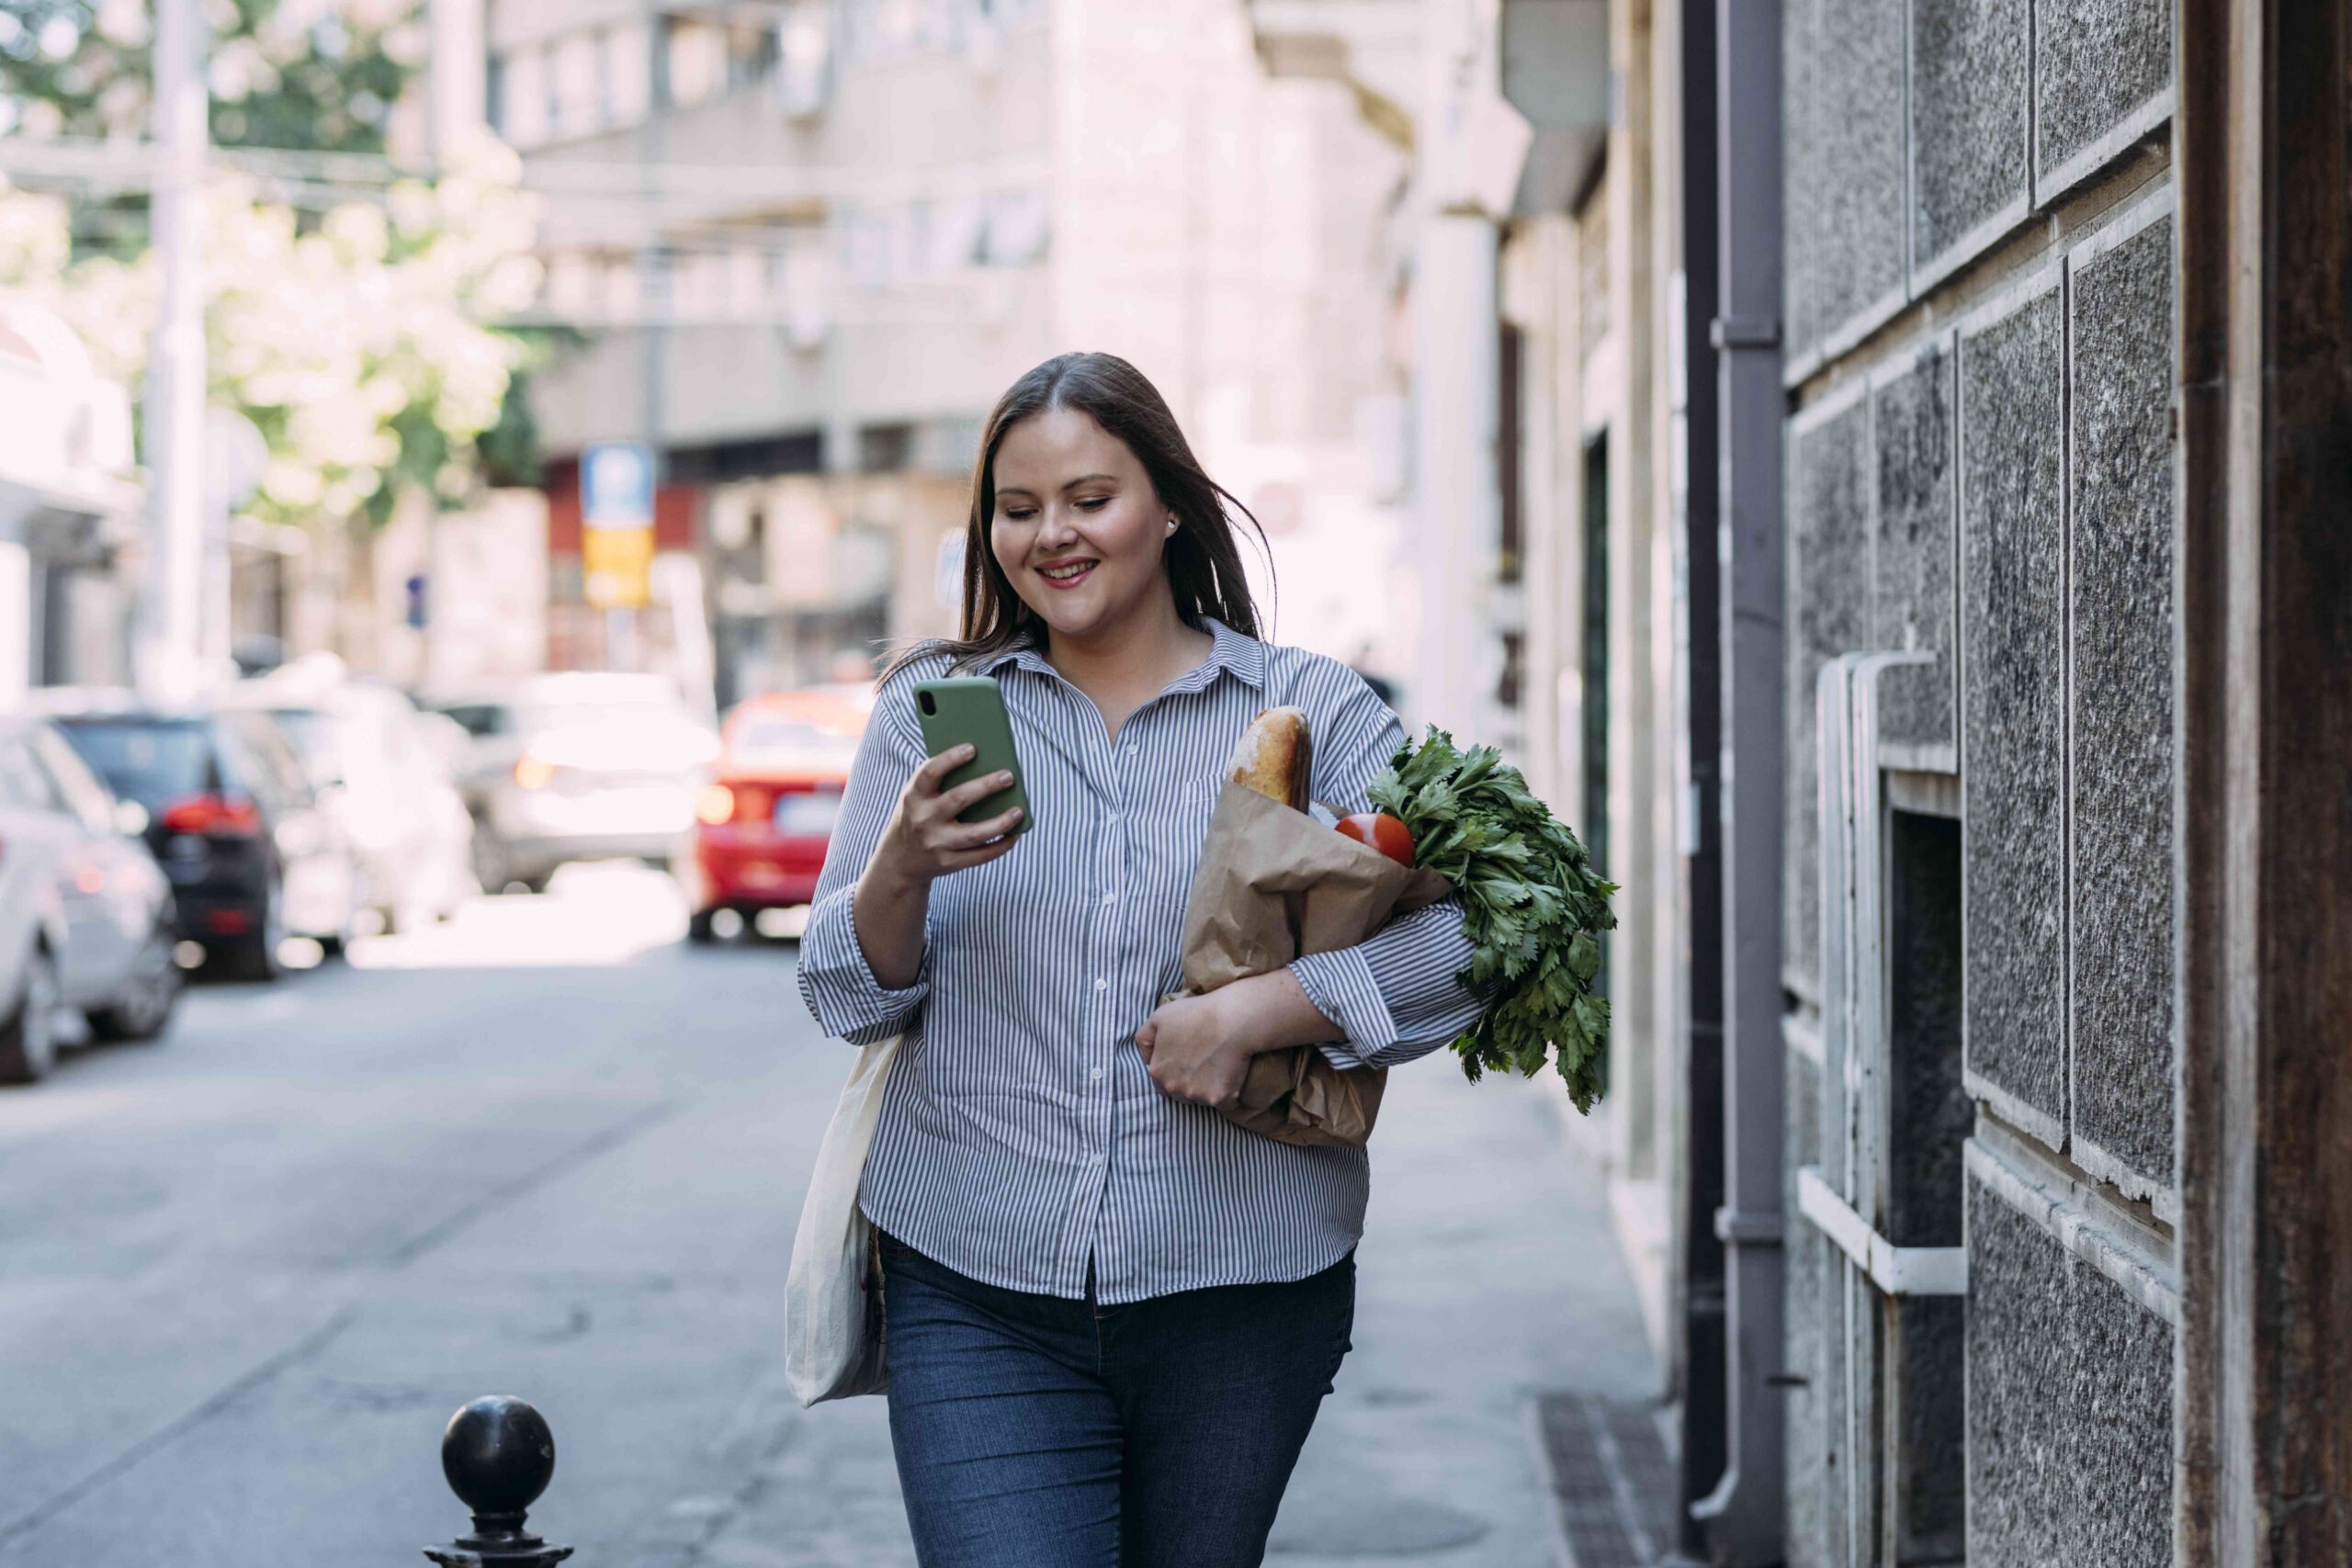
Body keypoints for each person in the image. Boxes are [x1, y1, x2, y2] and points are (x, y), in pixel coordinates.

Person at [797, 352, 1481, 1568]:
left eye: (1089, 498)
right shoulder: (937, 715)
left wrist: (1270, 1009)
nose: (1050, 535)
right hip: (976, 1288)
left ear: (1169, 505)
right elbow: (843, 991)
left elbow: (1480, 939)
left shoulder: (1309, 711)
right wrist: (901, 861)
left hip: (1242, 1295)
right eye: (1018, 509)